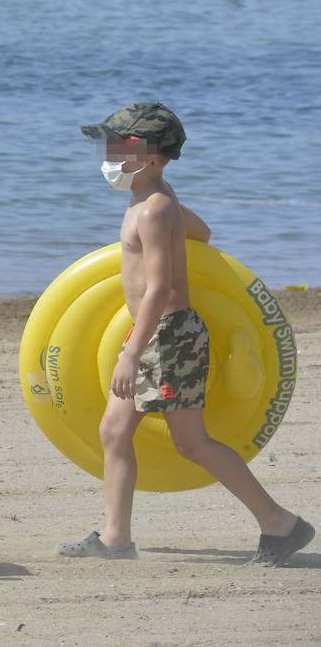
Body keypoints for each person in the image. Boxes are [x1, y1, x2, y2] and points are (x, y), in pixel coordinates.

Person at [58, 102, 311, 566]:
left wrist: (131, 355)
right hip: (151, 333)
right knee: (113, 431)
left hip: (167, 337)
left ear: (149, 156)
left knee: (191, 443)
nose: (107, 155)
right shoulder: (156, 200)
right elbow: (203, 232)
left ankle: (281, 525)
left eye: (118, 146)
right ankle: (116, 539)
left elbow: (161, 288)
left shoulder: (153, 210)